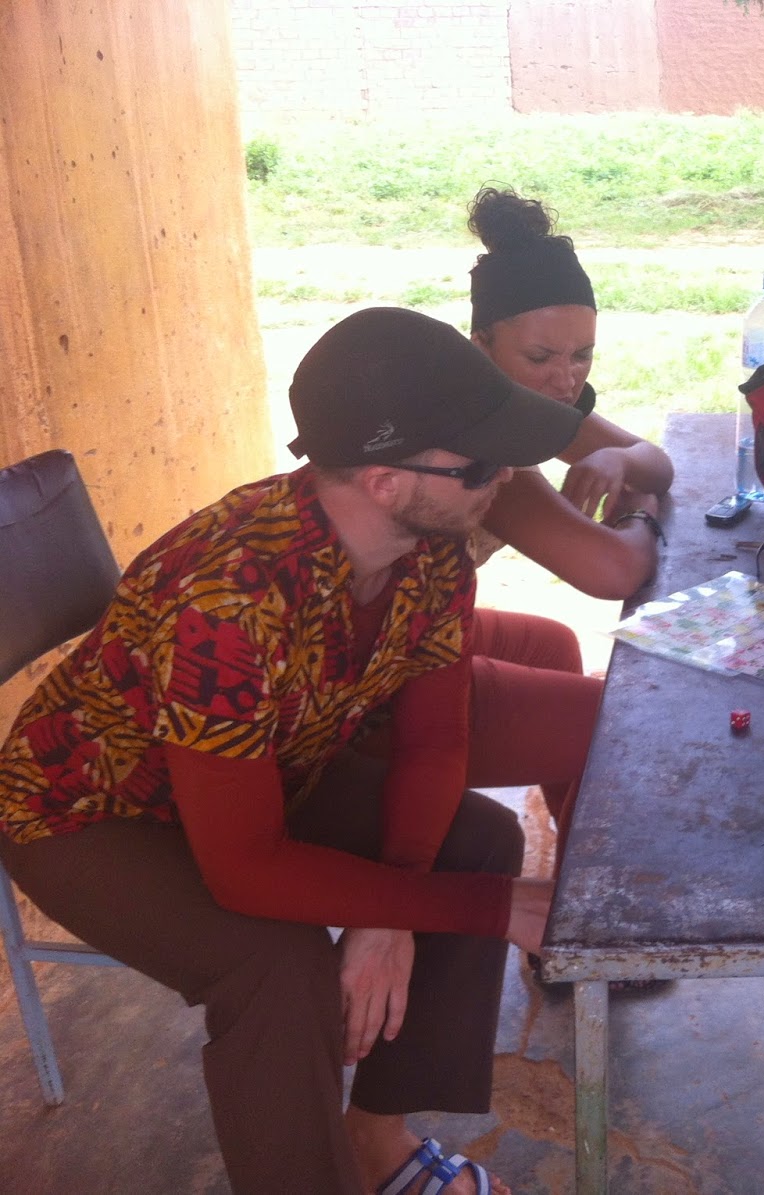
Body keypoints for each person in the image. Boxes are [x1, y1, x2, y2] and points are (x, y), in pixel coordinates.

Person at [0, 307, 585, 1195]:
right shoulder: (228, 596)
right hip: (88, 814)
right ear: (384, 481)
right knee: (278, 963)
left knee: (478, 842)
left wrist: (393, 909)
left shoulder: (431, 550)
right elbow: (245, 871)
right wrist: (485, 908)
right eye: (478, 464)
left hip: (262, 770)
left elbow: (435, 740)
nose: (503, 477)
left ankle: (378, 1145)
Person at [458, 185, 673, 853]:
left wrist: (618, 458)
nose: (566, 379)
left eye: (582, 355)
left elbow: (657, 462)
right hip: (370, 668)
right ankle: (595, 884)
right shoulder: (472, 440)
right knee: (607, 722)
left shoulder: (524, 400)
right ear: (481, 344)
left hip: (427, 624)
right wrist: (638, 508)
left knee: (550, 648)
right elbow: (614, 571)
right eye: (541, 357)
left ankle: (573, 854)